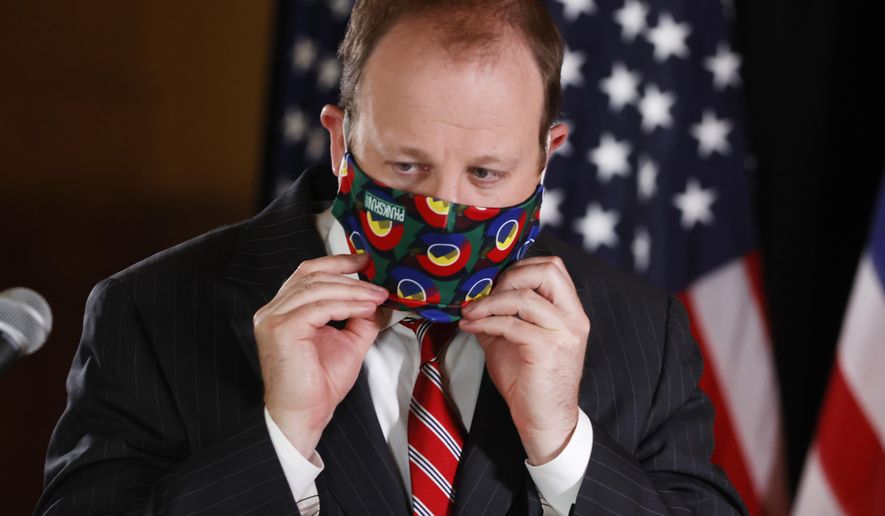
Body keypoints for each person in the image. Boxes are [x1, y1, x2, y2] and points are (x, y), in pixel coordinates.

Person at [36, 1, 746, 514]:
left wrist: (562, 447)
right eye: (406, 166)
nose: (443, 208)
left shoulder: (638, 329)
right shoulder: (152, 310)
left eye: (486, 174)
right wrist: (280, 441)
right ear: (341, 142)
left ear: (546, 156)